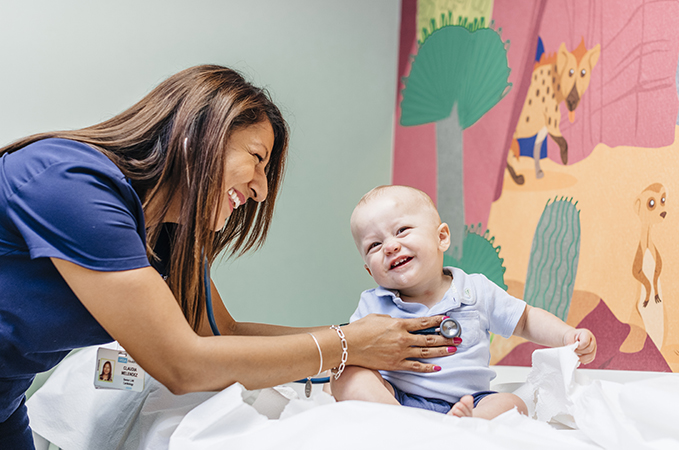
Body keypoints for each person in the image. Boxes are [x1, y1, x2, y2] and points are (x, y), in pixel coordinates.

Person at [0, 65, 456, 449]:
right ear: (198, 135)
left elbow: (222, 331)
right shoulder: (69, 182)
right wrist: (347, 345)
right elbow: (183, 364)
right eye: (257, 158)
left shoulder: (164, 237)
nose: (259, 188)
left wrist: (364, 339)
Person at [331, 185, 597, 419]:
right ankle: (400, 423)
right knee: (346, 377)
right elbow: (350, 350)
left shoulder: (476, 290)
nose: (390, 246)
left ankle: (466, 426)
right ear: (369, 270)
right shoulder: (372, 305)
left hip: (471, 401)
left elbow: (525, 319)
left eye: (401, 230)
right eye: (374, 246)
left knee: (513, 404)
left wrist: (566, 335)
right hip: (397, 399)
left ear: (441, 237)